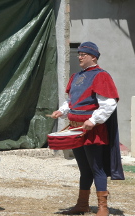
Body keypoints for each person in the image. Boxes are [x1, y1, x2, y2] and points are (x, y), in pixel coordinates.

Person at [50, 42, 124, 216]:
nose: (80, 56)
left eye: (84, 54)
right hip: (76, 130)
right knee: (84, 168)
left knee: (96, 167)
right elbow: (71, 101)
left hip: (92, 130)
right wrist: (62, 111)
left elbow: (109, 102)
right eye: (79, 53)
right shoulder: (76, 77)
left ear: (94, 57)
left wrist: (94, 120)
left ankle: (102, 207)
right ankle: (82, 204)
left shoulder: (101, 76)